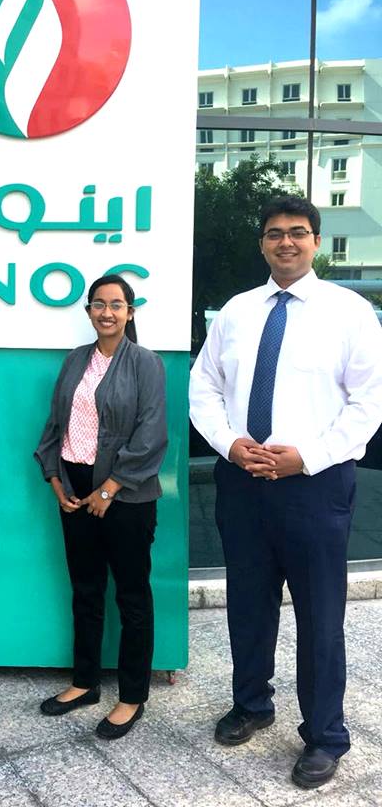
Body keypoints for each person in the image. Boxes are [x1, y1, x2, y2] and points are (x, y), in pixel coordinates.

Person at [190, 195, 382, 790]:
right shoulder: (237, 312)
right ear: (263, 243)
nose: (286, 242)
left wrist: (309, 457)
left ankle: (325, 735)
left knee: (320, 614)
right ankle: (251, 704)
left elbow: (368, 403)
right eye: (274, 233)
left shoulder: (350, 312)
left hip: (315, 486)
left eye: (298, 232)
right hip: (243, 482)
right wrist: (229, 443)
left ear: (316, 242)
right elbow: (204, 387)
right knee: (248, 603)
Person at [34, 274, 167, 740]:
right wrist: (55, 479)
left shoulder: (146, 363)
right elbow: (55, 425)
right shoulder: (75, 360)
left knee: (132, 596)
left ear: (130, 312)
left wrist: (108, 489)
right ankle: (85, 682)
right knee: (86, 590)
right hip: (75, 490)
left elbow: (152, 435)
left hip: (126, 497)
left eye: (116, 304)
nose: (106, 312)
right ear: (88, 310)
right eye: (98, 304)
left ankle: (132, 696)